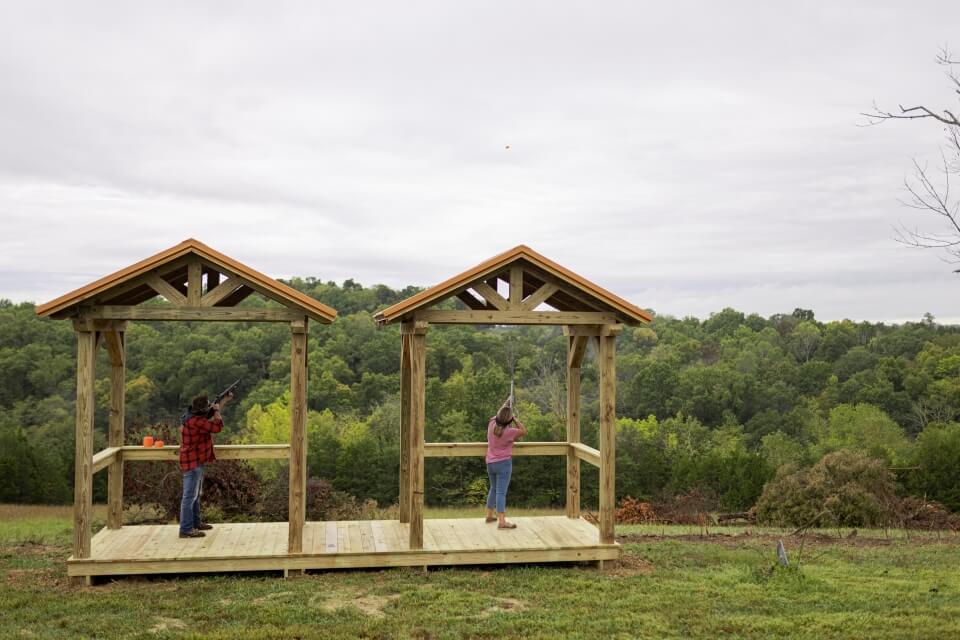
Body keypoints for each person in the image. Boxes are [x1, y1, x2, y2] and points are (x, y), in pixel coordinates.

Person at [178, 392, 232, 539]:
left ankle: (196, 523)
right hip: (193, 461)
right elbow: (217, 427)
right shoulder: (197, 421)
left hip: (195, 460)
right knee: (189, 497)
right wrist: (217, 411)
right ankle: (186, 529)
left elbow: (208, 416)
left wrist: (224, 401)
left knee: (195, 495)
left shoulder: (192, 418)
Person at [485, 400, 527, 529]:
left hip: (490, 463)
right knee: (501, 492)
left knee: (493, 488)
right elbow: (523, 430)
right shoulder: (510, 432)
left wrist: (505, 405)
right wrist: (514, 418)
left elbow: (497, 417)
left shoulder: (492, 424)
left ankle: (489, 515)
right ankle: (502, 521)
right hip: (503, 464)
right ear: (509, 420)